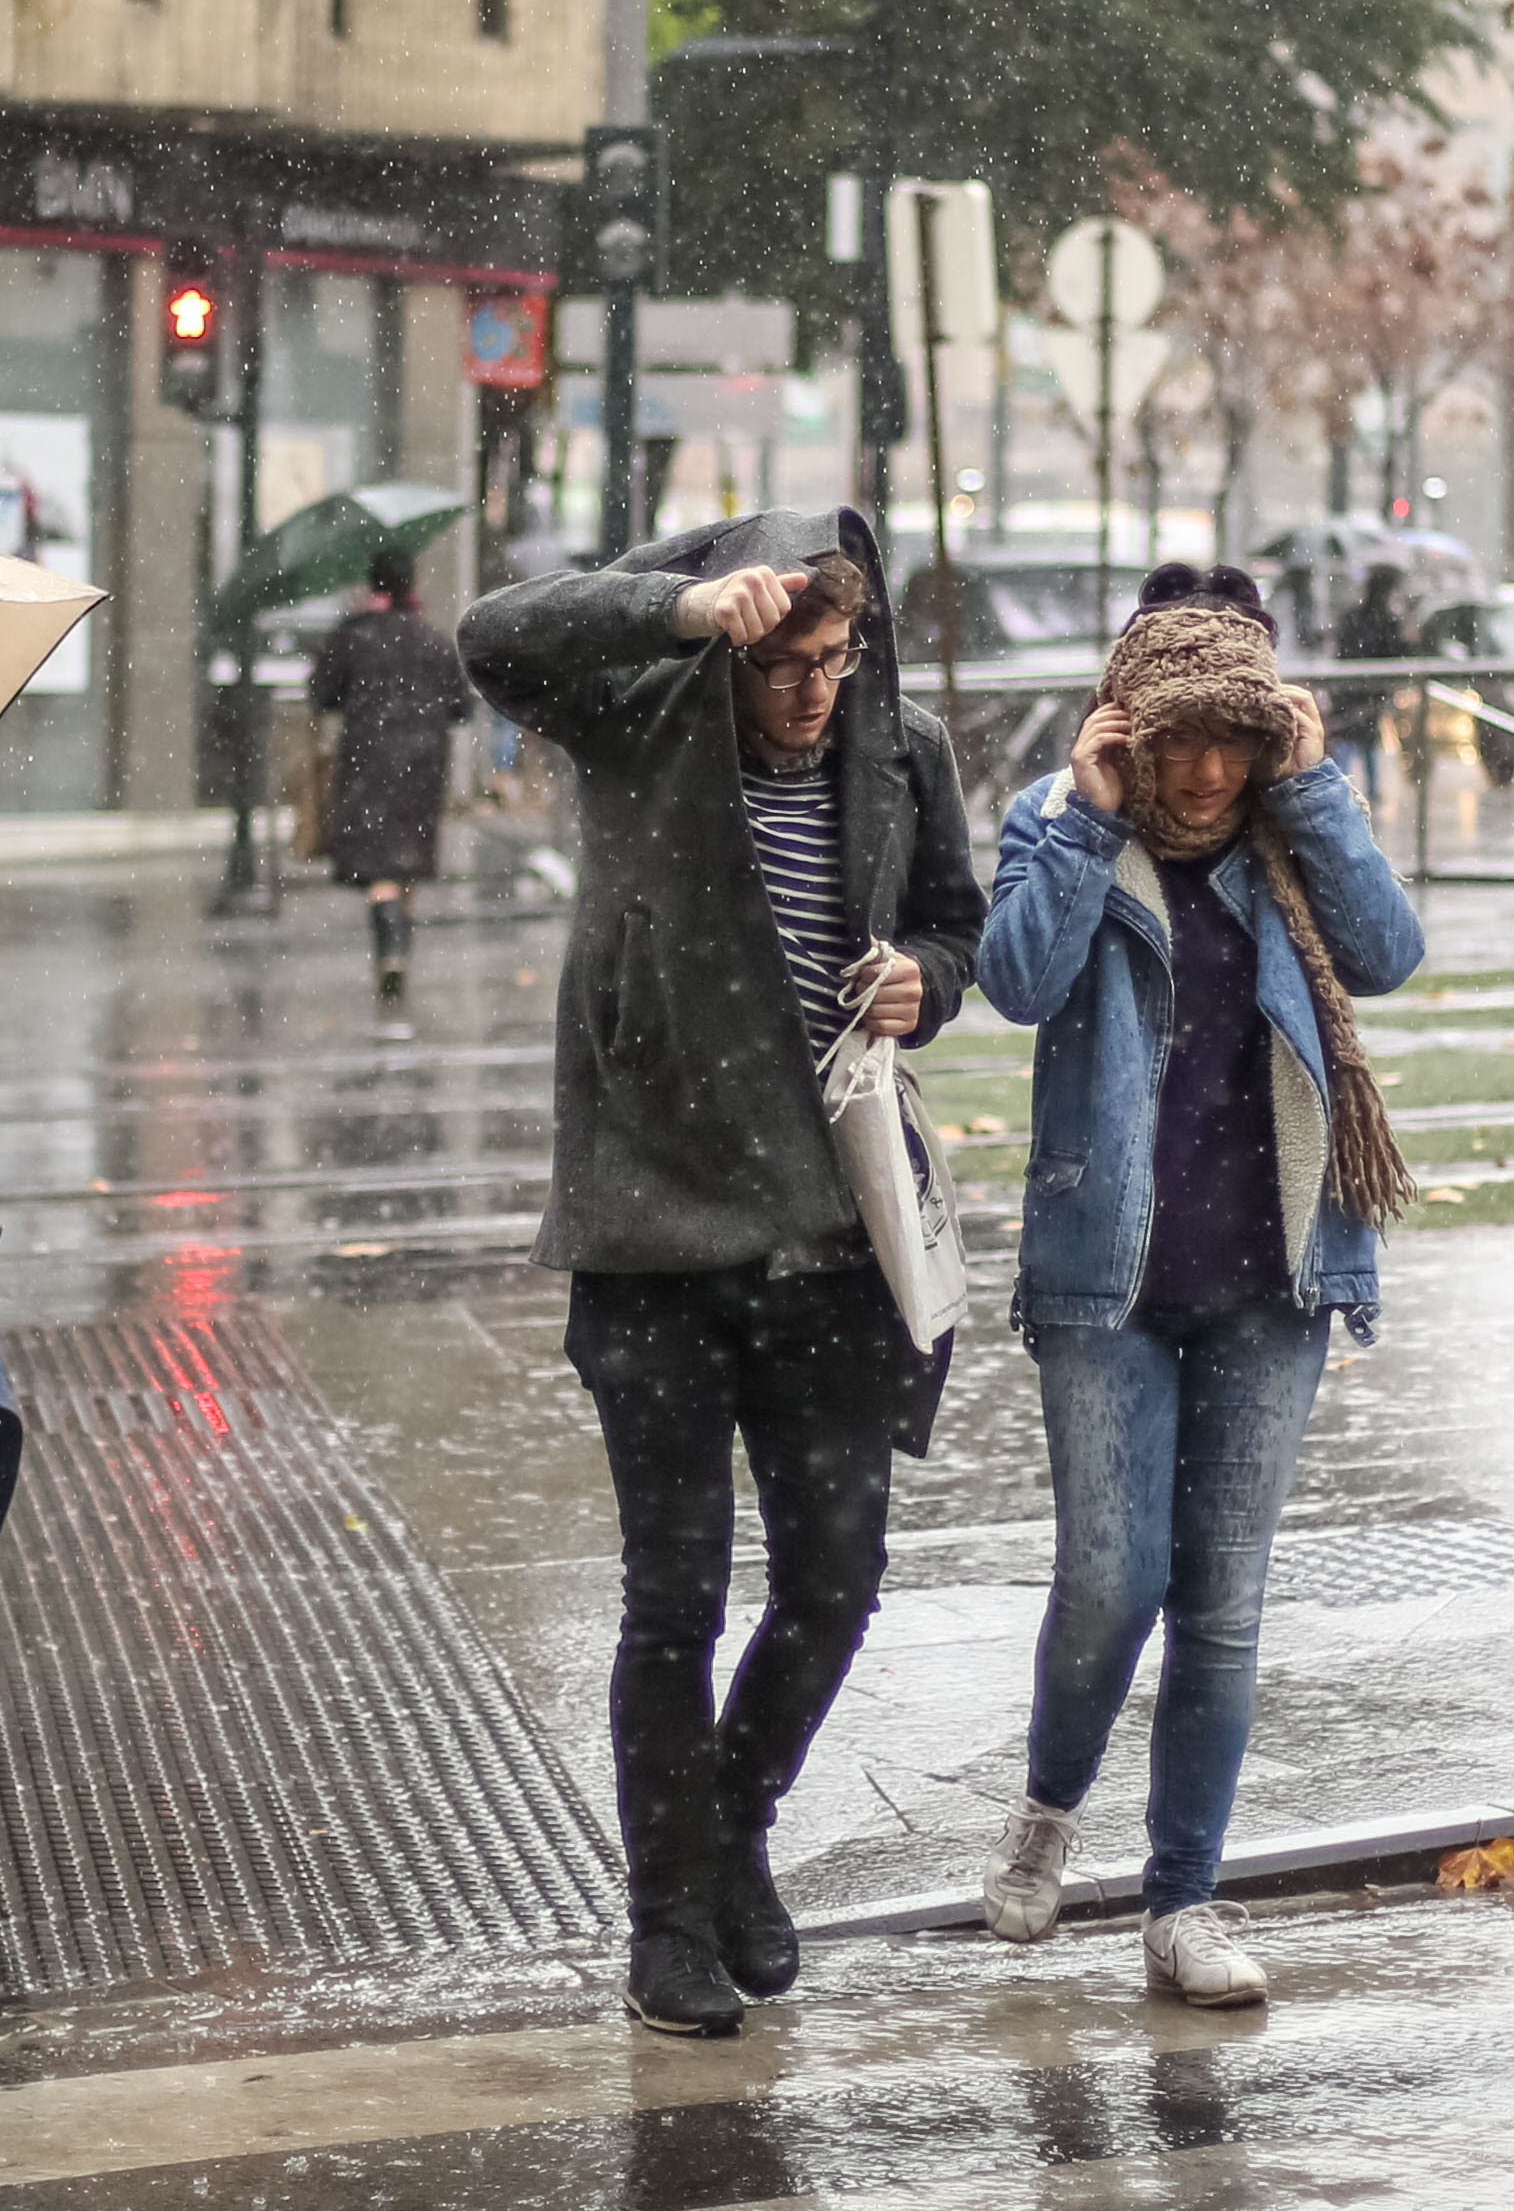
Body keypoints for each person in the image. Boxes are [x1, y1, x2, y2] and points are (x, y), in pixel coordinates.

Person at [459, 509, 986, 2040]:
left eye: (837, 660)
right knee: (673, 1598)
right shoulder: (643, 720)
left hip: (838, 1240)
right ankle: (668, 1916)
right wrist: (685, 607)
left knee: (834, 1583)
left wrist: (925, 981)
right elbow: (497, 634)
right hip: (656, 1247)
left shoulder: (901, 753)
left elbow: (955, 922)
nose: (814, 690)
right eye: (786, 664)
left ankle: (739, 1824)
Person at [971, 562, 1422, 2007]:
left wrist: (1317, 789)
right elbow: (1017, 983)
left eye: (1238, 737)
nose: (1211, 768)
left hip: (1273, 1277)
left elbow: (1391, 959)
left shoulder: (1286, 843)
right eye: (1183, 738)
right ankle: (1048, 1813)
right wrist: (1085, 808)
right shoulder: (1067, 831)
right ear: (1130, 728)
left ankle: (1185, 1905)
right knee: (1114, 1581)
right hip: (1106, 1277)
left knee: (1222, 1605)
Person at [305, 543, 470, 1033]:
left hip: (368, 759)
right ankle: (399, 954)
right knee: (406, 864)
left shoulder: (352, 636)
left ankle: (391, 955)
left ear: (371, 584)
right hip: (423, 761)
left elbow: (321, 695)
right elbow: (461, 706)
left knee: (378, 868)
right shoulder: (432, 638)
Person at [1327, 565, 1410, 802]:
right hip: (1369, 691)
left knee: (1349, 739)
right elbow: (1396, 653)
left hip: (1349, 689)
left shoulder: (1353, 617)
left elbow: (1342, 652)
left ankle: (1342, 787)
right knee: (1366, 740)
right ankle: (1367, 790)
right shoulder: (1386, 621)